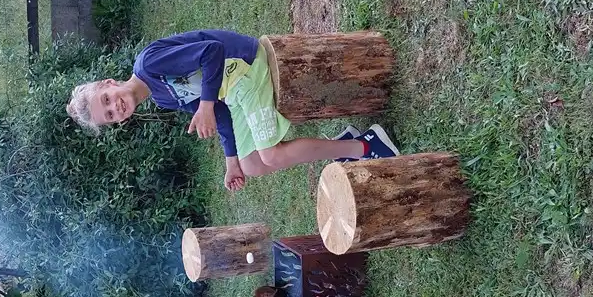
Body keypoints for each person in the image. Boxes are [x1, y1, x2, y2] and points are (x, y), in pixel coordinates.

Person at [66, 29, 399, 191]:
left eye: (107, 100)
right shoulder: (163, 98)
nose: (115, 108)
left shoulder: (149, 65)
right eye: (109, 115)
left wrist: (207, 104)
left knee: (269, 154)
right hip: (233, 94)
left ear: (110, 83)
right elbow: (220, 114)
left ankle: (368, 145)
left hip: (243, 67)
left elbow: (212, 52)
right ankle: (348, 142)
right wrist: (231, 162)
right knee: (252, 165)